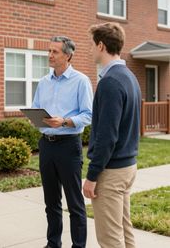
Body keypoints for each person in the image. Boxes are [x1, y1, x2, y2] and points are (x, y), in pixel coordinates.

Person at [83, 22, 141, 248]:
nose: (89, 50)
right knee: (125, 234)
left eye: (91, 45)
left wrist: (92, 176)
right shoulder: (129, 77)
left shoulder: (110, 82)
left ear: (100, 46)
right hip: (128, 167)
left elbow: (107, 137)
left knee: (110, 240)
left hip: (112, 171)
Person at [32, 36, 93, 248]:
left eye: (55, 52)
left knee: (75, 203)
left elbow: (88, 115)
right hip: (46, 145)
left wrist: (65, 122)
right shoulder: (43, 82)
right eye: (49, 51)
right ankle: (53, 243)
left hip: (69, 146)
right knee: (51, 202)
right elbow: (36, 109)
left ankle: (78, 245)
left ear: (68, 55)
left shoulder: (81, 81)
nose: (50, 55)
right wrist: (37, 118)